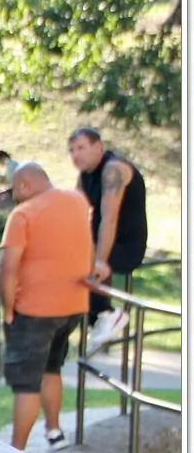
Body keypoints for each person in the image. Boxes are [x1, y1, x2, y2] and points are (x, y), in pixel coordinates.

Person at [0, 163, 93, 452]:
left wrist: (7, 308)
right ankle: (54, 431)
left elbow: (7, 268)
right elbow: (86, 246)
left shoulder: (23, 214)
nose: (14, 195)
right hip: (73, 305)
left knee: (26, 383)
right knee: (52, 368)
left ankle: (17, 450)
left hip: (34, 310)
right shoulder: (77, 201)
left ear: (25, 184)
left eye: (14, 189)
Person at [68, 126, 148, 354]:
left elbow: (109, 219)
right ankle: (93, 318)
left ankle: (108, 314)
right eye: (72, 150)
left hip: (125, 245)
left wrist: (100, 260)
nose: (76, 154)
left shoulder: (113, 170)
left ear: (98, 147)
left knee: (86, 259)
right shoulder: (85, 176)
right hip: (98, 241)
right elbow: (77, 213)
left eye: (81, 147)